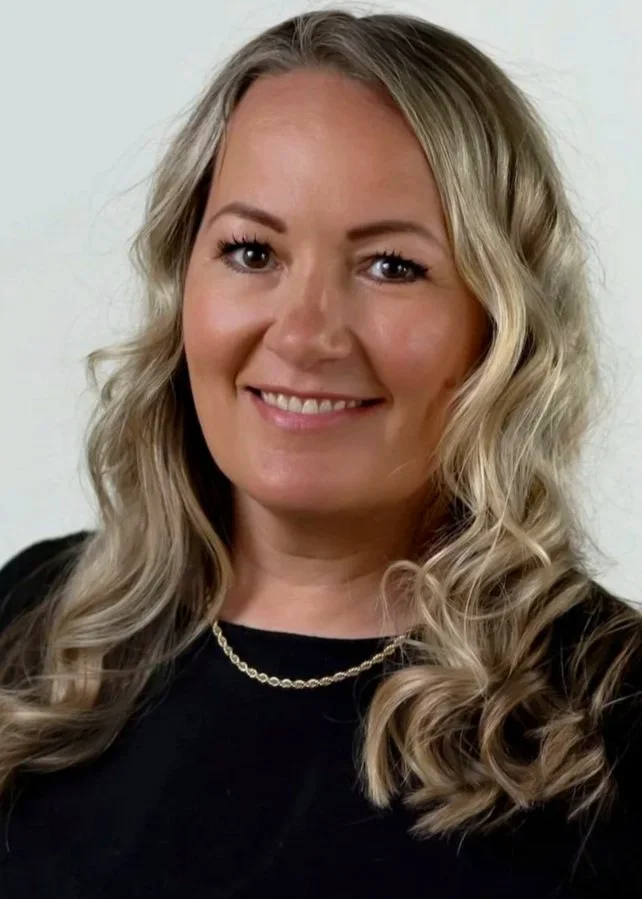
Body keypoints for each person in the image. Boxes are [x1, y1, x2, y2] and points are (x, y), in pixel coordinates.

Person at [0, 6, 641, 898]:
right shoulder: (35, 626)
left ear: (499, 326)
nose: (304, 334)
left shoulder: (616, 710)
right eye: (252, 250)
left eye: (390, 266)